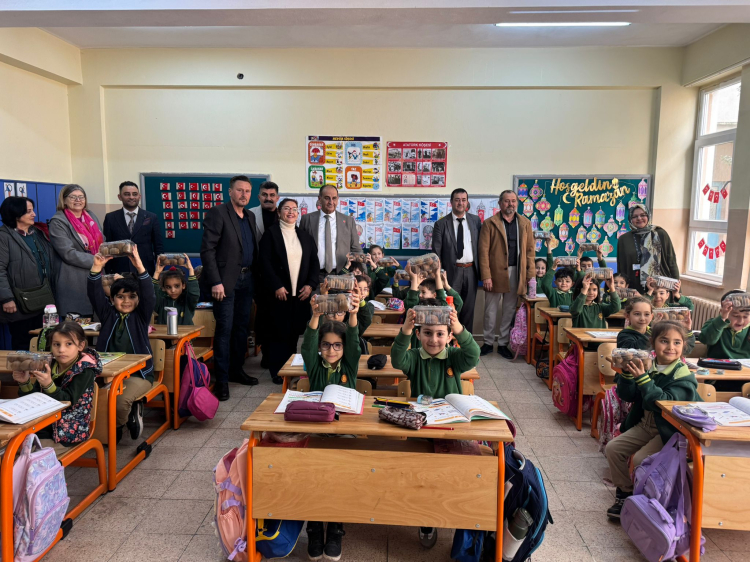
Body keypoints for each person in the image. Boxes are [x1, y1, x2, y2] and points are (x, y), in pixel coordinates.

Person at [605, 320, 700, 520]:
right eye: (664, 341)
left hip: (668, 430)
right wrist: (627, 375)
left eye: (677, 342)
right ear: (653, 343)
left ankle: (646, 501)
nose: (670, 347)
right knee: (613, 449)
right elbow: (628, 396)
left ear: (684, 345)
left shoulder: (683, 376)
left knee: (640, 459)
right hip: (645, 424)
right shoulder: (648, 365)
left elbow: (664, 402)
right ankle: (625, 493)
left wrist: (643, 380)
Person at [301, 291, 362, 562]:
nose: (331, 350)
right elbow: (307, 346)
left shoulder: (349, 364)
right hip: (316, 431)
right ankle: (314, 527)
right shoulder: (315, 366)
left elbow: (355, 345)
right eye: (326, 345)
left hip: (344, 433)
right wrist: (315, 316)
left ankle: (335, 528)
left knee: (339, 476)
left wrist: (353, 316)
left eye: (337, 345)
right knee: (312, 476)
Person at [200, 175, 260, 400]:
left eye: (247, 191)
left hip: (247, 279)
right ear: (230, 192)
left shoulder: (250, 216)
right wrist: (216, 281)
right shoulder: (218, 213)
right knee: (224, 330)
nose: (244, 194)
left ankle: (236, 370)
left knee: (241, 328)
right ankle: (222, 380)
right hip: (224, 283)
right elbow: (208, 250)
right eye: (240, 190)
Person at [88, 246, 155, 443]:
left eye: (132, 296)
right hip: (108, 374)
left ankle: (119, 425)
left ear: (138, 299)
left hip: (138, 374)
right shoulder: (108, 315)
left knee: (119, 401)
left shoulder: (141, 317)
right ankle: (112, 424)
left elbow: (149, 294)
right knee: (93, 397)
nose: (126, 301)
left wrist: (139, 265)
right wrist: (96, 268)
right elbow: (94, 294)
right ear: (112, 299)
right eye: (120, 296)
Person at [14, 321, 100, 455]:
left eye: (69, 344)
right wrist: (25, 382)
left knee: (24, 455)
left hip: (67, 432)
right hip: (42, 425)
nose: (61, 350)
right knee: (10, 448)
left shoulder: (85, 371)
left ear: (81, 345)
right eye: (56, 344)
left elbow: (68, 401)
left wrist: (49, 385)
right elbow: (34, 399)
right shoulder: (49, 364)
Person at [258, 198, 319, 384]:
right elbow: (264, 263)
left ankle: (291, 369)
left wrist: (310, 285)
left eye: (294, 209)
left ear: (298, 213)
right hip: (279, 294)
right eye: (286, 208)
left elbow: (314, 264)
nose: (291, 212)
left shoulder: (305, 236)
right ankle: (277, 371)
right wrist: (276, 285)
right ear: (279, 212)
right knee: (278, 333)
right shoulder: (270, 235)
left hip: (299, 295)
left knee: (293, 334)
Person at [477, 190, 535, 358]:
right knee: (490, 310)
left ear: (517, 203)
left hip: (517, 271)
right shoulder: (490, 223)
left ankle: (503, 343)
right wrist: (486, 275)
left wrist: (530, 274)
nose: (511, 204)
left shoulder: (525, 223)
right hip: (494, 272)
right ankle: (488, 342)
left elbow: (530, 251)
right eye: (507, 201)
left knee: (509, 309)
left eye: (513, 201)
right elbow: (483, 252)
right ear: (500, 203)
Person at [0, 197, 56, 351]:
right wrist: (6, 298)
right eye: (29, 211)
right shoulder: (3, 237)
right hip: (19, 302)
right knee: (23, 343)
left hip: (43, 300)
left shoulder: (37, 233)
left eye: (33, 210)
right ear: (16, 214)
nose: (34, 214)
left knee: (44, 342)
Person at [391, 307, 480, 398]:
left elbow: (473, 355)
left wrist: (459, 330)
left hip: (450, 407)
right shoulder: (414, 357)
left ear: (449, 337)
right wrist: (406, 330)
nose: (433, 340)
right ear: (418, 334)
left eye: (440, 334)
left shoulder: (454, 356)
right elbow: (397, 361)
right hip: (421, 407)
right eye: (427, 333)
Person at [48, 184, 104, 319]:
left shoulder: (90, 216)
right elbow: (68, 253)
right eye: (73, 197)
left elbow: (102, 240)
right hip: (73, 280)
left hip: (97, 275)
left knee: (98, 324)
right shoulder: (58, 221)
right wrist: (96, 260)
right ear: (64, 200)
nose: (78, 200)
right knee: (77, 327)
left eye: (81, 197)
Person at [432, 188, 482, 331]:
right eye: (457, 200)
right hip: (450, 273)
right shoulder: (441, 224)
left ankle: (466, 342)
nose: (460, 203)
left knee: (468, 310)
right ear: (451, 202)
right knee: (450, 310)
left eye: (463, 200)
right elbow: (436, 253)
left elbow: (481, 247)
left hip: (471, 271)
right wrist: (440, 275)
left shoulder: (475, 221)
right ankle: (449, 341)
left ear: (467, 202)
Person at [298, 184, 361, 285]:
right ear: (319, 199)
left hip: (342, 274)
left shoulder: (348, 221)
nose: (331, 202)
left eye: (334, 198)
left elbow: (356, 249)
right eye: (327, 198)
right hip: (314, 276)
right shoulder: (307, 219)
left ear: (338, 199)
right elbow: (299, 248)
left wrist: (363, 275)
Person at [102, 181, 163, 276]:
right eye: (127, 194)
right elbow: (107, 246)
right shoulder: (110, 218)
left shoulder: (151, 217)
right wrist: (108, 271)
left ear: (139, 196)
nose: (131, 197)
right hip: (119, 268)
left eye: (135, 194)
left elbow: (158, 245)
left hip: (145, 267)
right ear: (119, 197)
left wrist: (159, 270)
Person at [249, 181, 280, 368]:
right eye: (265, 195)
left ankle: (278, 355)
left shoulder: (285, 214)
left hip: (281, 276)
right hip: (259, 275)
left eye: (272, 195)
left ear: (277, 197)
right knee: (263, 317)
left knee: (279, 317)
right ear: (259, 196)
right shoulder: (249, 214)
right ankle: (266, 354)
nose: (268, 198)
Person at [616, 204, 679, 293]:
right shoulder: (624, 239)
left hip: (660, 287)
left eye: (643, 215)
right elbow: (621, 266)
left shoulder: (660, 233)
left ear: (648, 216)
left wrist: (677, 288)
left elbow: (671, 261)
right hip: (634, 287)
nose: (639, 218)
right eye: (635, 216)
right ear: (630, 219)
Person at [698, 290, 750, 359]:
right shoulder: (714, 324)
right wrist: (722, 319)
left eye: (745, 317)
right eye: (736, 316)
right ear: (722, 312)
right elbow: (706, 340)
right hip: (718, 364)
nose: (741, 321)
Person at [152, 254, 199, 325]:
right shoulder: (161, 303)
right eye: (168, 287)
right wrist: (157, 273)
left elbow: (194, 293)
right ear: (164, 288)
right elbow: (152, 294)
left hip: (185, 332)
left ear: (183, 286)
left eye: (177, 286)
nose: (173, 290)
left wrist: (191, 270)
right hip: (165, 332)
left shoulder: (188, 302)